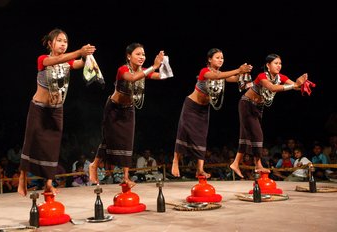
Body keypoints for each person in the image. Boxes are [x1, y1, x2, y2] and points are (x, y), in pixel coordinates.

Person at [17, 28, 96, 196]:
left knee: (52, 147)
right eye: (59, 40)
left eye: (65, 41)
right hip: (38, 108)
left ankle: (48, 183)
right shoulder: (43, 59)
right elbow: (60, 59)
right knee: (31, 142)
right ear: (50, 43)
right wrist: (78, 52)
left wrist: (86, 54)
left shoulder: (67, 62)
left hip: (56, 110)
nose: (63, 44)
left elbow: (79, 63)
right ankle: (22, 178)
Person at [89, 42, 168, 188]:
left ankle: (126, 177)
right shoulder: (123, 69)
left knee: (127, 142)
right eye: (138, 54)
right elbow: (131, 78)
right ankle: (94, 165)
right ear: (128, 56)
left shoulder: (144, 71)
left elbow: (164, 76)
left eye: (143, 54)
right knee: (108, 140)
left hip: (128, 110)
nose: (141, 57)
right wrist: (154, 66)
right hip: (113, 108)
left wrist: (164, 63)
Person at [171, 48, 253, 179]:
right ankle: (175, 162)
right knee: (184, 132)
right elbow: (216, 76)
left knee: (201, 137)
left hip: (203, 110)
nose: (221, 60)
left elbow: (233, 78)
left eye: (222, 58)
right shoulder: (205, 71)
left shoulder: (222, 74)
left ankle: (200, 169)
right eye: (217, 57)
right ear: (209, 59)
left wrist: (245, 74)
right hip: (191, 106)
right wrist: (238, 70)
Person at [230, 53, 308, 178]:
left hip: (258, 107)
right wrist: (294, 85)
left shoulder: (281, 77)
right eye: (276, 63)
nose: (279, 66)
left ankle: (235, 163)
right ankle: (258, 164)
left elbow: (295, 86)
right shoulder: (262, 76)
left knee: (246, 135)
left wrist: (301, 84)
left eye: (280, 63)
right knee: (257, 134)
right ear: (268, 65)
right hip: (247, 104)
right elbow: (272, 88)